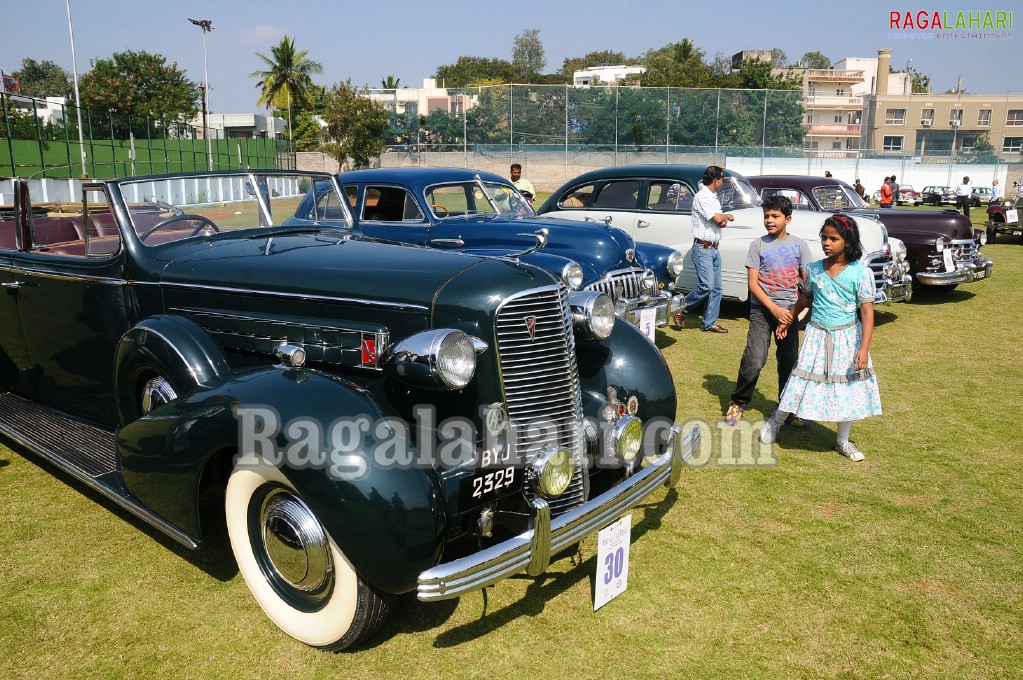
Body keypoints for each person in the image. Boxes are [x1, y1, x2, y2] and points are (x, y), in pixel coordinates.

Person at [760, 214, 882, 462]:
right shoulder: (814, 270)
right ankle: (775, 422)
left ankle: (842, 440)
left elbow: (867, 312)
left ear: (847, 241)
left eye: (833, 238)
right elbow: (805, 299)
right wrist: (788, 320)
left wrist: (864, 348)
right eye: (824, 238)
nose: (827, 243)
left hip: (848, 338)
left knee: (846, 388)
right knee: (799, 380)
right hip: (816, 336)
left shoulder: (861, 272)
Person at [724, 195, 813, 427]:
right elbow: (753, 285)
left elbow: (807, 282)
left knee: (789, 361)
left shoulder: (800, 246)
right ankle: (739, 401)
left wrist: (792, 313)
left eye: (775, 216)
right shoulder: (758, 245)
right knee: (754, 359)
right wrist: (773, 309)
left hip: (789, 314)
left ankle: (788, 409)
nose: (769, 220)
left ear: (788, 218)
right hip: (762, 312)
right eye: (766, 216)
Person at [676, 165, 735, 333]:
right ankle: (681, 310)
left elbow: (719, 222)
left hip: (714, 248)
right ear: (715, 180)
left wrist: (722, 219)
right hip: (703, 247)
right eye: (722, 179)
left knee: (716, 288)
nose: (723, 182)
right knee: (707, 285)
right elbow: (718, 217)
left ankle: (709, 323)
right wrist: (726, 217)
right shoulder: (702, 197)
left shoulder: (713, 197)